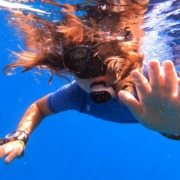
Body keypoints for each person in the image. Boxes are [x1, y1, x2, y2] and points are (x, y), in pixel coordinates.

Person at [0, 0, 180, 164]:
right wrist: (19, 137)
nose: (94, 72)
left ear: (124, 57)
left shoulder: (153, 80)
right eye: (78, 61)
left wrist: (173, 127)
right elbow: (39, 108)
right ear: (68, 67)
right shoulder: (77, 95)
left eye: (107, 59)